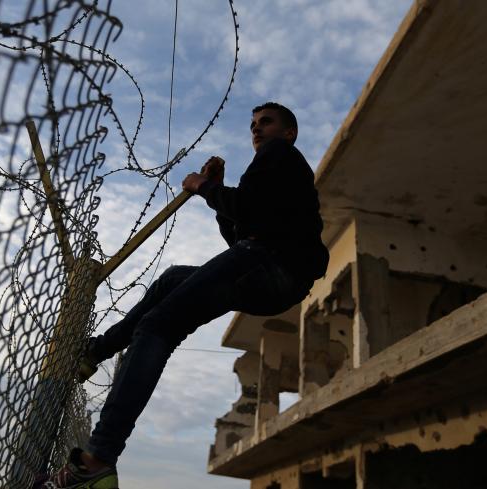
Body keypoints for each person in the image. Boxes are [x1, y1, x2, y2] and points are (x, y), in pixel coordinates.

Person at [39, 102, 329, 489]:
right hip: (274, 275)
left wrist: (203, 186)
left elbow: (248, 221)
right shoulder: (278, 173)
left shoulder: (279, 154)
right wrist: (219, 192)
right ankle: (96, 352)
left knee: (158, 327)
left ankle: (94, 462)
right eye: (253, 124)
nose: (257, 129)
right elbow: (240, 233)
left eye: (266, 122)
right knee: (173, 279)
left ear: (288, 132)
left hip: (272, 265)